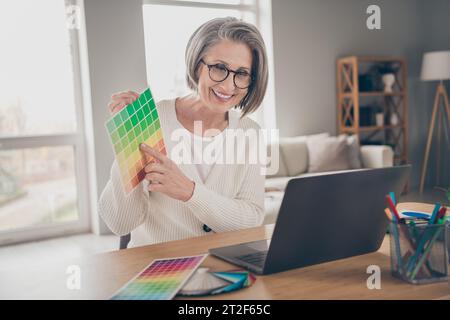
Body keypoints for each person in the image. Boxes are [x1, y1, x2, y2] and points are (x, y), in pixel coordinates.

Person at [98, 17, 269, 248]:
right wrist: (128, 140)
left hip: (225, 268)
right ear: (197, 65)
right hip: (159, 270)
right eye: (219, 68)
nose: (229, 86)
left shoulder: (251, 133)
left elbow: (251, 220)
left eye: (242, 74)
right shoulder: (154, 120)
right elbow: (120, 223)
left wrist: (190, 192)